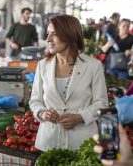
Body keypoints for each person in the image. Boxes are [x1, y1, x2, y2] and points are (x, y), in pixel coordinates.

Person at [29, 14, 108, 151]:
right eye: (48, 34)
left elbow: (102, 103)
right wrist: (42, 112)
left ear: (69, 35)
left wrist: (80, 117)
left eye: (54, 34)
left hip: (83, 144)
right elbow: (35, 100)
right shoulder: (43, 65)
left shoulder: (93, 66)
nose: (48, 39)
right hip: (49, 142)